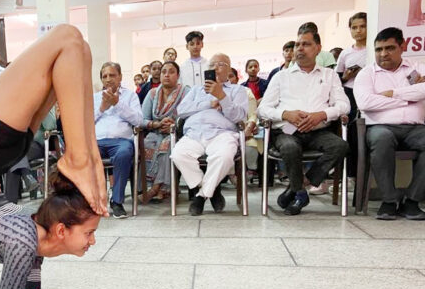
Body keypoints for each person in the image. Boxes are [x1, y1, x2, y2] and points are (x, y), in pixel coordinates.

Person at [0, 25, 137, 289]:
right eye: (89, 233)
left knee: (77, 47)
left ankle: (83, 155)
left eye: (91, 234)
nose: (92, 242)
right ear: (61, 230)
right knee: (70, 41)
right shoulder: (28, 239)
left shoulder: (31, 239)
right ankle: (82, 157)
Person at [257, 27, 350, 215]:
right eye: (297, 44)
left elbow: (344, 105)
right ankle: (301, 194)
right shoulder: (280, 76)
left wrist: (322, 114)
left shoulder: (329, 75)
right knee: (290, 147)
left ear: (318, 48)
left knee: (340, 146)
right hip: (287, 131)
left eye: (306, 44)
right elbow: (262, 109)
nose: (299, 48)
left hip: (318, 131)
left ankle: (298, 186)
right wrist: (285, 114)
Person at [354, 27, 425, 220]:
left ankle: (412, 200)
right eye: (379, 49)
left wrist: (393, 93)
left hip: (416, 128)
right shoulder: (367, 74)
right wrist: (409, 98)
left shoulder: (417, 68)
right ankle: (389, 201)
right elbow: (365, 103)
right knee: (382, 139)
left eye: (389, 48)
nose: (383, 54)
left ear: (402, 46)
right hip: (380, 127)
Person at [170, 54, 248, 215]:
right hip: (194, 133)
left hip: (223, 134)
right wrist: (208, 103)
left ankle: (200, 197)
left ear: (229, 68)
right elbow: (181, 111)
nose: (214, 68)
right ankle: (212, 190)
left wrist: (222, 97)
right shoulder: (196, 90)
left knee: (224, 156)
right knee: (178, 154)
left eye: (220, 64)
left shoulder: (238, 90)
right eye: (211, 65)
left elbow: (239, 116)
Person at [95, 62, 143, 218]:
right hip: (97, 140)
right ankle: (94, 201)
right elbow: (84, 123)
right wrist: (102, 107)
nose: (108, 79)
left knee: (123, 154)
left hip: (121, 141)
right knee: (84, 154)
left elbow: (138, 120)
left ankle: (117, 202)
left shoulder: (130, 96)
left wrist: (117, 104)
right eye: (105, 76)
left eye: (112, 75)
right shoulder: (94, 98)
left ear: (120, 77)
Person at [140, 61, 190, 203]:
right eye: (164, 72)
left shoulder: (186, 92)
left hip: (178, 134)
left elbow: (191, 117)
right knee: (146, 144)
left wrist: (175, 126)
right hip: (155, 131)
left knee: (168, 145)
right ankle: (148, 186)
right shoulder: (152, 93)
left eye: (171, 72)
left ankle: (157, 188)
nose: (166, 75)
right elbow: (142, 119)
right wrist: (156, 124)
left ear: (178, 75)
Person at [336, 12, 368, 181]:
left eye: (362, 26)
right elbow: (337, 80)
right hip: (350, 95)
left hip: (369, 94)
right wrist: (347, 77)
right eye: (354, 27)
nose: (358, 31)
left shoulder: (374, 50)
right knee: (350, 136)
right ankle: (350, 176)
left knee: (366, 137)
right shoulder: (345, 53)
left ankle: (365, 177)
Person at [4, 108, 56, 204]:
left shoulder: (43, 107)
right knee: (12, 161)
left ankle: (10, 202)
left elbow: (51, 125)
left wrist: (40, 109)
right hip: (21, 147)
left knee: (14, 155)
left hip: (37, 146)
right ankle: (26, 175)